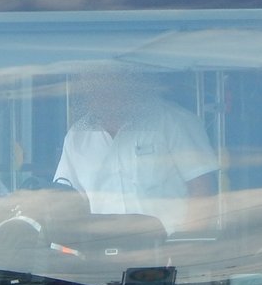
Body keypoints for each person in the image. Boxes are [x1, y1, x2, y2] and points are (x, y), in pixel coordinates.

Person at [53, 71, 218, 236]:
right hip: (99, 250)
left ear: (130, 83)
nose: (101, 93)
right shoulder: (77, 135)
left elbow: (202, 191)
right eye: (92, 86)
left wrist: (186, 248)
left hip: (166, 253)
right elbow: (69, 200)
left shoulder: (175, 122)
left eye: (109, 84)